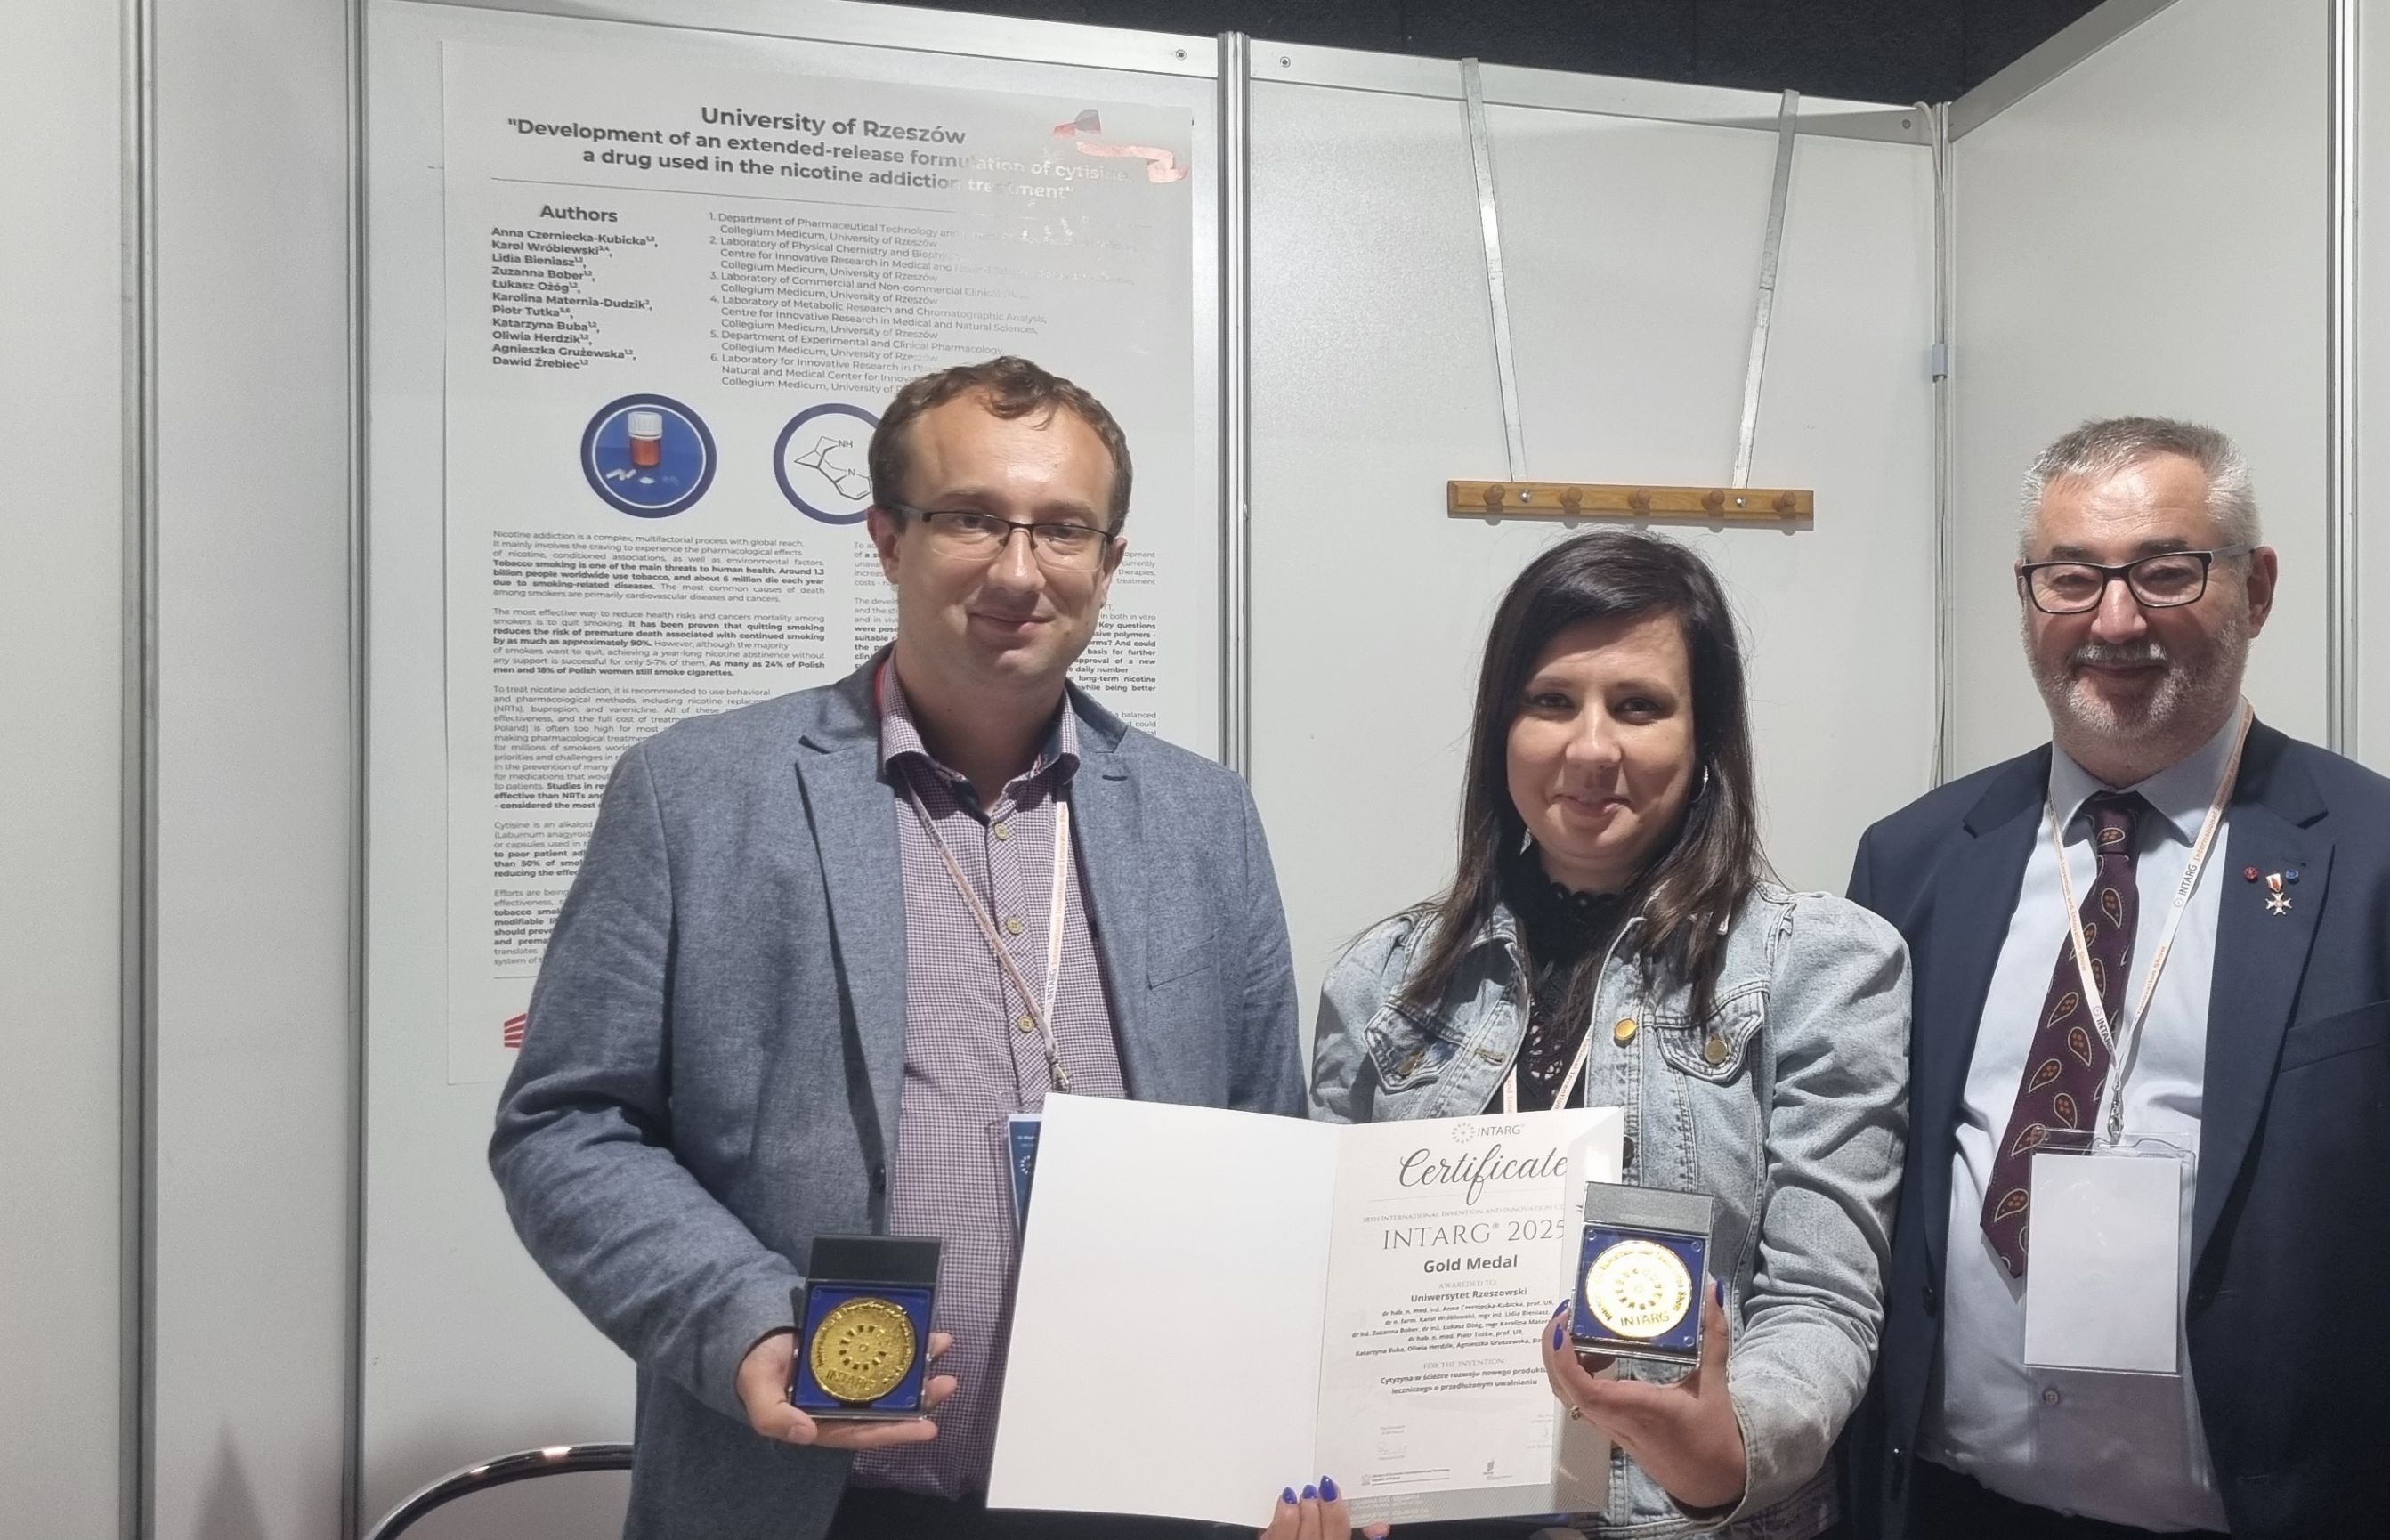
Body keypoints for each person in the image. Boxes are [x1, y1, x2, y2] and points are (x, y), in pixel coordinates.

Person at [492, 356, 1303, 1540]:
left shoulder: (1204, 819)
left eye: (1063, 529)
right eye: (971, 517)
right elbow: (565, 1124)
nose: (1019, 570)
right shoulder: (695, 795)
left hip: (1140, 1496)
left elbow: (1270, 1150)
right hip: (813, 1501)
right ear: (887, 537)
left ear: (1110, 561)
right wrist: (744, 1317)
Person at [1838, 417, 2390, 1540]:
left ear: (2258, 587)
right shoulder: (1914, 861)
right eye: (2072, 577)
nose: (2114, 620)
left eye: (2166, 572)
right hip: (1953, 1509)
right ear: (2027, 596)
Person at [1278, 531, 1910, 1540]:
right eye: (1551, 700)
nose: (1590, 748)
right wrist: (1309, 1475)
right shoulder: (1385, 978)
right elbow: (1324, 1296)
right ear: (1501, 727)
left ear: (1706, 736)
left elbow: (1821, 1302)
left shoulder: (1823, 964)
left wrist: (1722, 1448)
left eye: (1639, 705)